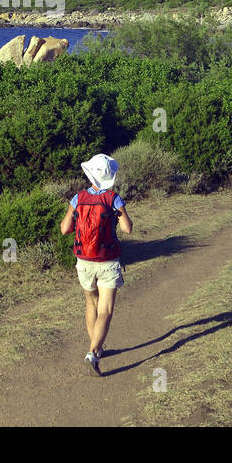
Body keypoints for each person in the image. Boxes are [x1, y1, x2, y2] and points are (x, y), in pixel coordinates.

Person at [60, 153, 132, 376]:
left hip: (84, 260)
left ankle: (95, 349)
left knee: (91, 304)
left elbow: (64, 229)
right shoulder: (113, 198)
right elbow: (127, 228)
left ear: (90, 174)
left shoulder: (78, 198)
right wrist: (119, 213)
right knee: (106, 310)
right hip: (107, 261)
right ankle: (93, 352)